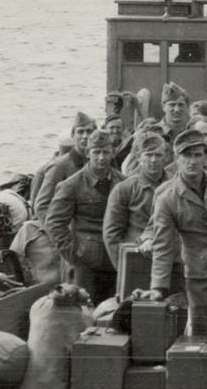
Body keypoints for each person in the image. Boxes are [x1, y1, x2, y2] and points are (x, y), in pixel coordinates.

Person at [146, 130, 207, 342]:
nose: (192, 161)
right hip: (199, 276)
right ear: (176, 159)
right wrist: (158, 287)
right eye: (186, 156)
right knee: (206, 334)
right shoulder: (166, 196)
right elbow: (162, 244)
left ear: (206, 158)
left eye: (198, 155)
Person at [45, 129, 118, 299]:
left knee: (114, 311)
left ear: (113, 153)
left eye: (106, 152)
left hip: (115, 261)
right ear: (87, 153)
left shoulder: (122, 183)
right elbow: (54, 224)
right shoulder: (71, 185)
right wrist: (74, 254)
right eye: (96, 152)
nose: (101, 157)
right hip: (84, 266)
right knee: (83, 309)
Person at [102, 132, 170, 269]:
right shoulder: (124, 189)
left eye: (158, 155)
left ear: (166, 158)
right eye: (148, 155)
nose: (153, 160)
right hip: (137, 259)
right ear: (139, 157)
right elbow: (111, 235)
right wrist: (124, 267)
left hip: (170, 259)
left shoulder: (175, 185)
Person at [32, 113, 96, 222]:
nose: (85, 136)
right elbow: (42, 206)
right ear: (73, 135)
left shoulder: (98, 162)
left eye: (89, 131)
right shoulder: (59, 166)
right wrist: (57, 231)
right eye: (80, 132)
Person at [159, 82, 191, 148]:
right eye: (172, 105)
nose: (177, 109)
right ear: (163, 107)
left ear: (187, 107)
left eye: (181, 105)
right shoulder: (154, 132)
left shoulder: (192, 133)